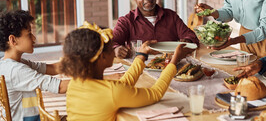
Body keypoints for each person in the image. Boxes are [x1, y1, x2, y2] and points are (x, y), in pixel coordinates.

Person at [60, 22, 192, 121]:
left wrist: (141, 55)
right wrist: (174, 61)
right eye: (111, 48)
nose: (114, 51)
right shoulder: (112, 92)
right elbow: (155, 94)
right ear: (102, 57)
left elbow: (122, 87)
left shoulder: (75, 83)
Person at [0, 10, 69, 121]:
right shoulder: (16, 70)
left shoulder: (12, 64)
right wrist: (96, 80)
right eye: (29, 34)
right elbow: (60, 87)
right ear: (13, 40)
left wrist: (79, 63)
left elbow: (52, 68)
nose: (34, 38)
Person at [113, 0, 199, 58]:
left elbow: (191, 36)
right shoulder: (126, 21)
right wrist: (116, 49)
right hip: (140, 67)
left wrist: (188, 41)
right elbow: (112, 43)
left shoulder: (171, 16)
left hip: (171, 64)